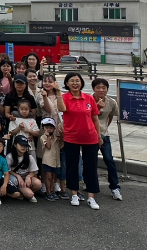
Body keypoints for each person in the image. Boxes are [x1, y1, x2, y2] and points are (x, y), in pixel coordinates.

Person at [58, 72, 103, 210]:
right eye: (72, 81)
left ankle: (91, 197)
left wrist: (99, 136)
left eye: (77, 81)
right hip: (72, 137)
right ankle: (74, 194)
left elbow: (95, 118)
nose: (75, 83)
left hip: (90, 137)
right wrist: (58, 92)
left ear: (81, 83)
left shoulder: (89, 98)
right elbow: (61, 109)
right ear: (67, 84)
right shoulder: (64, 98)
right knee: (72, 165)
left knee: (91, 167)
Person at [92, 78, 123, 201]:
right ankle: (90, 184)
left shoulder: (111, 102)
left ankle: (115, 187)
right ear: (94, 89)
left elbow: (110, 117)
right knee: (90, 161)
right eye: (98, 87)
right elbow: (86, 116)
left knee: (109, 160)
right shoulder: (88, 100)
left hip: (104, 135)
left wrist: (103, 130)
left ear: (107, 89)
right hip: (90, 135)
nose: (101, 90)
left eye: (103, 87)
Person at [5, 135, 41, 202]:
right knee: (16, 182)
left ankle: (23, 192)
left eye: (25, 145)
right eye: (21, 145)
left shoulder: (29, 157)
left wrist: (28, 176)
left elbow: (33, 171)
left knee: (38, 183)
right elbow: (8, 170)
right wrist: (18, 176)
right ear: (15, 145)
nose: (23, 147)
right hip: (15, 178)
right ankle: (19, 191)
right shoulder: (10, 156)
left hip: (25, 177)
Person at [40, 117, 63, 201]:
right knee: (48, 176)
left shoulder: (57, 138)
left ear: (54, 128)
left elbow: (61, 146)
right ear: (43, 128)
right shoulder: (43, 137)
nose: (49, 129)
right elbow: (48, 146)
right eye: (46, 127)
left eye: (51, 127)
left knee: (53, 176)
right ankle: (48, 191)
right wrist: (48, 136)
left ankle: (52, 190)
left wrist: (62, 136)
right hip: (47, 160)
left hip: (56, 161)